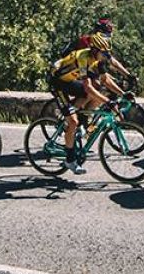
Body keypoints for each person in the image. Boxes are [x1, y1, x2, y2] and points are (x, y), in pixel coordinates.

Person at [48, 33, 124, 174]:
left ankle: (80, 121)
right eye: (104, 53)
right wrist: (108, 102)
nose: (106, 56)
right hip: (58, 83)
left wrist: (123, 94)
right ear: (95, 50)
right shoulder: (83, 58)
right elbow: (88, 86)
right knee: (73, 122)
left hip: (69, 81)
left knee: (96, 94)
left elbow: (105, 80)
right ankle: (70, 160)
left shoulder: (97, 60)